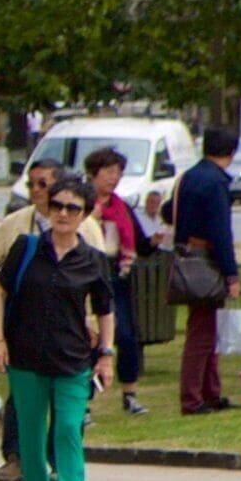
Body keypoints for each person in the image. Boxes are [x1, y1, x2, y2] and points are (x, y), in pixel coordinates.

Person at [0, 176, 117, 481]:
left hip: (72, 357)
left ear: (84, 214)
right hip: (26, 356)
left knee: (69, 427)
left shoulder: (93, 260)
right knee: (30, 431)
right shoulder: (26, 248)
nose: (62, 213)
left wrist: (106, 354)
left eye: (72, 208)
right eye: (56, 205)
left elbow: (105, 310)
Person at [0, 160, 102, 481]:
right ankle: (16, 458)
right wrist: (3, 292)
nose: (36, 192)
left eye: (43, 185)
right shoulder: (17, 225)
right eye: (32, 185)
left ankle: (60, 464)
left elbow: (99, 281)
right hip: (25, 323)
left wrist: (94, 321)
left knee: (66, 396)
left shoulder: (86, 228)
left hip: (70, 326)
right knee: (23, 393)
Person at [172, 125, 241, 413]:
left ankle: (210, 392)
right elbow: (220, 232)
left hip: (188, 253)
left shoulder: (189, 177)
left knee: (207, 329)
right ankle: (193, 398)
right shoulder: (216, 183)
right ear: (231, 152)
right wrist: (232, 274)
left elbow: (169, 210)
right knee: (202, 333)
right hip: (207, 259)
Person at [84, 146, 149, 415]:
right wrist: (92, 219)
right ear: (93, 173)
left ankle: (130, 394)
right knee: (87, 335)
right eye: (109, 172)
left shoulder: (121, 206)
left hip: (116, 271)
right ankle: (84, 401)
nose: (114, 178)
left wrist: (155, 242)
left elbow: (140, 240)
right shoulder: (81, 204)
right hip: (86, 270)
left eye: (118, 173)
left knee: (126, 334)